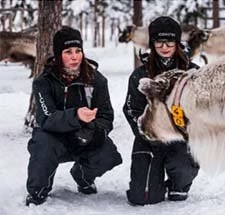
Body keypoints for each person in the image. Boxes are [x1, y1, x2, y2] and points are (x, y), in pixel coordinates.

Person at [26, 27, 122, 206]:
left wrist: (94, 130)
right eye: (68, 51)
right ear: (57, 54)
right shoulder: (43, 82)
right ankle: (38, 189)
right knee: (43, 146)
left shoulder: (97, 80)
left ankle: (82, 176)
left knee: (109, 154)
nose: (74, 56)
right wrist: (76, 116)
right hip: (52, 136)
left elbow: (106, 116)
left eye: (78, 51)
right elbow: (46, 118)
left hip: (82, 135)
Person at [123, 16, 200, 205]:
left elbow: (202, 109)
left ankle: (179, 183)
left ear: (177, 42)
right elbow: (131, 109)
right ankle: (153, 182)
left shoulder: (193, 72)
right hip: (149, 140)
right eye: (159, 41)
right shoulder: (140, 75)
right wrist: (146, 134)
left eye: (170, 41)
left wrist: (185, 128)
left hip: (181, 139)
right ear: (152, 43)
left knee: (179, 188)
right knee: (142, 198)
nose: (164, 46)